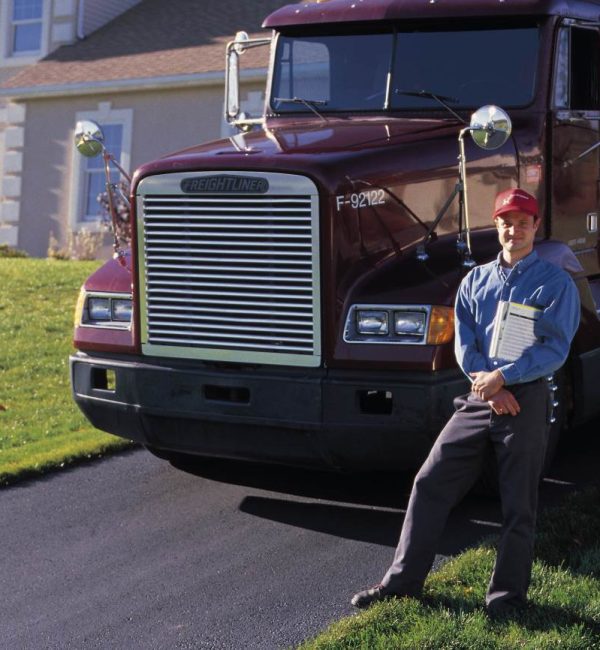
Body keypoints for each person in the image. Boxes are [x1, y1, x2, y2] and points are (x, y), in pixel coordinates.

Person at [351, 188, 581, 617]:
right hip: (481, 395)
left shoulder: (554, 284)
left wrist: (505, 379)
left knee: (518, 505)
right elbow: (465, 341)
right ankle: (402, 584)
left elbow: (555, 349)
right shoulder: (475, 281)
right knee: (430, 482)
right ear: (496, 226)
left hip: (525, 400)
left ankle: (506, 600)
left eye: (523, 222)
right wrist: (488, 384)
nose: (515, 229)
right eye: (506, 222)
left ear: (536, 226)